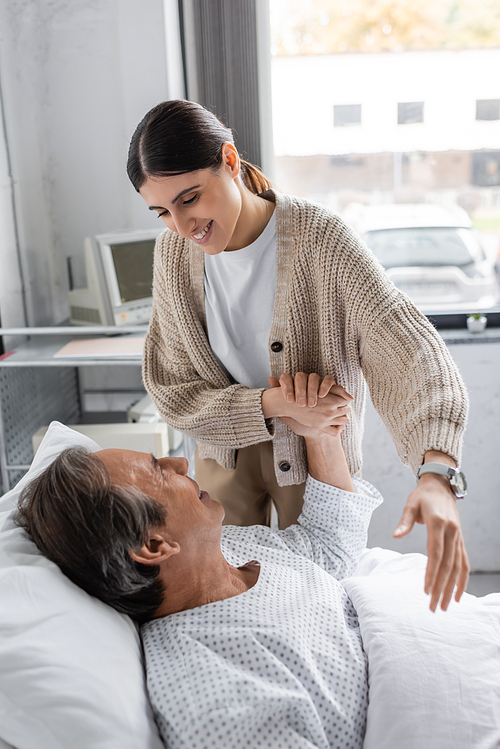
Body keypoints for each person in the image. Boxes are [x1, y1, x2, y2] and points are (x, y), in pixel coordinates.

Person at [126, 99, 470, 611]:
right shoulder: (172, 255)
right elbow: (173, 390)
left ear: (229, 159)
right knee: (227, 598)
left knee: (323, 594)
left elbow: (409, 348)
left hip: (315, 451)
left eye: (190, 198)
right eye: (162, 212)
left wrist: (436, 473)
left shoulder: (321, 241)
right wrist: (271, 404)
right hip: (224, 451)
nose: (181, 225)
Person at [16, 397, 386, 748]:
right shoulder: (215, 697)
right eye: (158, 471)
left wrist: (320, 434)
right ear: (154, 546)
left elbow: (329, 551)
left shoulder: (232, 550)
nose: (179, 464)